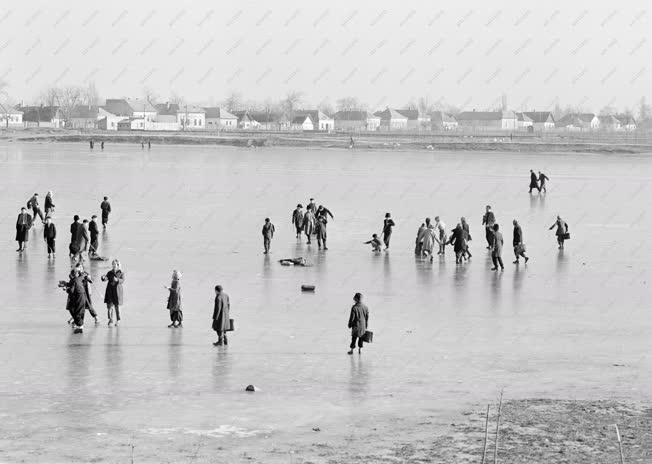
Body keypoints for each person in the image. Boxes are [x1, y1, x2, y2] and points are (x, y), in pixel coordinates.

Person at [66, 266, 89, 333]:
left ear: (77, 273)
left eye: (74, 272)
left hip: (79, 297)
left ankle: (80, 326)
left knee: (76, 312)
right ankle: (79, 325)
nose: (72, 274)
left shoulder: (75, 279)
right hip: (82, 297)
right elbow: (71, 284)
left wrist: (66, 289)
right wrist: (65, 284)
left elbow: (71, 290)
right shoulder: (79, 278)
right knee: (79, 312)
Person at [102, 259, 125, 327]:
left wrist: (117, 280)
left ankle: (118, 320)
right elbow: (106, 278)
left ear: (118, 265)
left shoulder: (121, 272)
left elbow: (123, 280)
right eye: (113, 264)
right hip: (110, 291)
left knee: (117, 307)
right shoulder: (109, 272)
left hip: (117, 291)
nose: (113, 265)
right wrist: (103, 278)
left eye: (115, 264)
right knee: (110, 307)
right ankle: (110, 319)